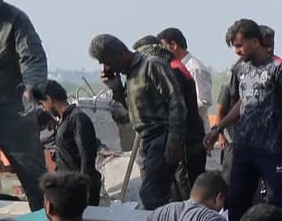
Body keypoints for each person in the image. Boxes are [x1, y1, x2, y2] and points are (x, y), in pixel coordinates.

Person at [207, 19, 282, 221]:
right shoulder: (240, 69)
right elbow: (242, 103)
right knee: (237, 199)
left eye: (240, 45)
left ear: (255, 41)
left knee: (277, 200)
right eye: (234, 47)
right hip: (244, 148)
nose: (237, 51)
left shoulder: (280, 69)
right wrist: (218, 127)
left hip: (273, 149)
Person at [89, 34, 185, 211]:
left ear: (120, 54)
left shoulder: (152, 65)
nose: (106, 67)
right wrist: (116, 86)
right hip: (145, 140)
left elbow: (176, 101)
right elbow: (130, 109)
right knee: (156, 194)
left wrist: (174, 139)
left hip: (161, 137)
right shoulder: (131, 75)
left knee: (151, 196)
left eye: (107, 61)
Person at [0, 0, 50, 209]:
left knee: (33, 173)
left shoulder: (14, 19)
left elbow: (33, 58)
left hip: (11, 108)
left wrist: (32, 91)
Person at [137, 36, 208, 196]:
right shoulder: (173, 67)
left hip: (184, 142)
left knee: (186, 189)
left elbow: (176, 108)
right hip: (186, 139)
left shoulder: (173, 70)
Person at [36, 82, 100, 204]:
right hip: (67, 189)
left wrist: (83, 189)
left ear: (49, 99)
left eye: (43, 103)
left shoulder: (77, 118)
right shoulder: (62, 121)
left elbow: (87, 157)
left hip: (79, 191)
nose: (44, 108)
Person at [157, 27, 212, 125]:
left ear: (173, 45)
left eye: (163, 48)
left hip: (197, 129)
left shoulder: (195, 68)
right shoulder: (173, 68)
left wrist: (179, 111)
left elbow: (204, 102)